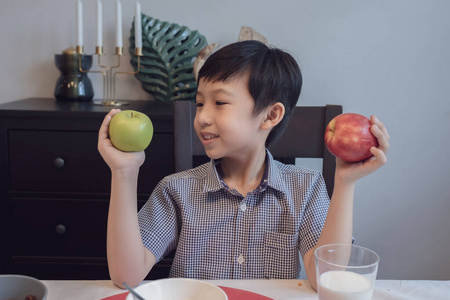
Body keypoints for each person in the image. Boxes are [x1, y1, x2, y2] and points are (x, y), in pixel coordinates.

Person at [97, 40, 390, 290]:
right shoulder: (177, 189)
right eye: (200, 103)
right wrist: (123, 172)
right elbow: (126, 277)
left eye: (220, 103)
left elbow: (327, 278)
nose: (202, 117)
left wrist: (345, 183)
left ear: (270, 116)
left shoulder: (306, 187)